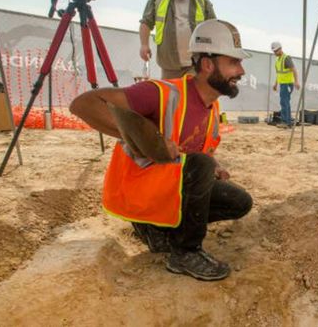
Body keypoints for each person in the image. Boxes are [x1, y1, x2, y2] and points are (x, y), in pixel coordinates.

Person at [71, 19, 252, 281]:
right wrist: (148, 140)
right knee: (199, 165)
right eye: (233, 62)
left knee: (238, 201)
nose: (241, 71)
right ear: (208, 65)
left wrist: (216, 166)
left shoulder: (212, 108)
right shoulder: (163, 93)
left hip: (167, 188)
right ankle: (184, 252)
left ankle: (160, 232)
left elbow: (200, 152)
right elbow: (83, 104)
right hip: (139, 192)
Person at [139, 0, 216, 79]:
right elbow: (146, 23)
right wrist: (144, 45)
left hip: (195, 63)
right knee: (172, 96)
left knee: (192, 95)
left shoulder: (202, 1)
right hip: (169, 65)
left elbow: (213, 28)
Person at [271, 41, 300, 128]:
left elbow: (294, 69)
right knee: (284, 102)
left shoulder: (286, 58)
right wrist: (275, 84)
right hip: (282, 84)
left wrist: (296, 81)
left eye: (276, 50)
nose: (275, 53)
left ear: (280, 49)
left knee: (284, 102)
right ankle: (287, 122)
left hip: (287, 84)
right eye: (274, 51)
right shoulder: (278, 60)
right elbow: (279, 74)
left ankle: (286, 122)